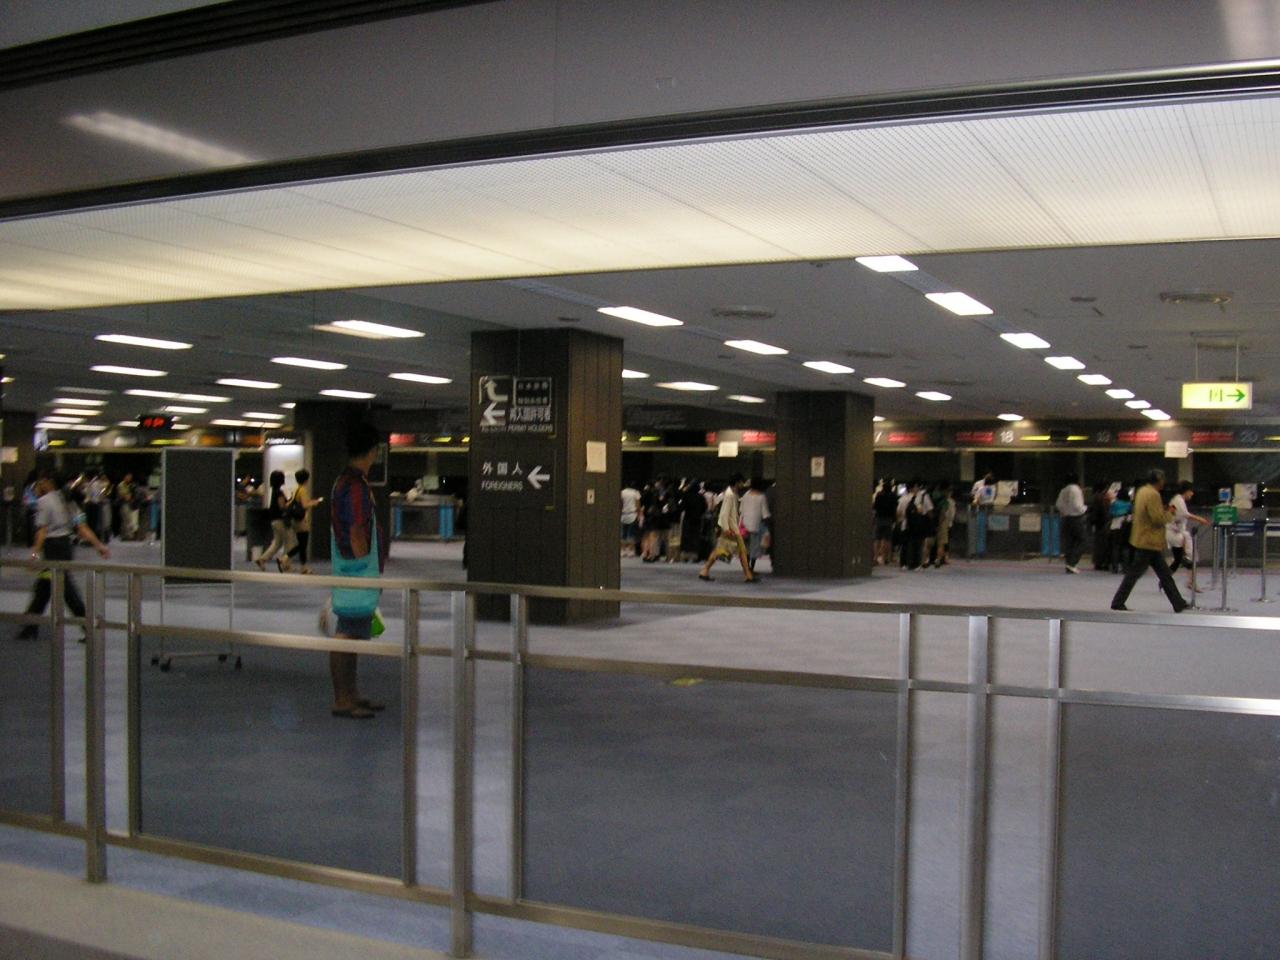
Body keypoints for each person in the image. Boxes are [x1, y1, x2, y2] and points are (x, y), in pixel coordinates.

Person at [329, 423, 388, 719]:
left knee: (352, 631)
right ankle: (343, 699)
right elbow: (356, 529)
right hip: (355, 568)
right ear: (372, 451)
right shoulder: (354, 486)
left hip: (352, 566)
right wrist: (364, 562)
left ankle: (350, 694)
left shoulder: (347, 481)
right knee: (346, 634)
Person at [18, 472, 110, 639]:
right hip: (65, 547)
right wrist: (98, 545)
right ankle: (30, 626)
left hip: (52, 548)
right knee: (45, 587)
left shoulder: (44, 501)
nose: (39, 485)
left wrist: (34, 552)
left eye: (42, 481)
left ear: (49, 482)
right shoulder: (69, 501)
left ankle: (88, 626)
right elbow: (82, 528)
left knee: (64, 589)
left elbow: (42, 530)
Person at [1110, 469, 1187, 612]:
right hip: (1149, 541)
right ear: (1159, 480)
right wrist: (1169, 513)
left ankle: (1178, 602)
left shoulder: (1142, 491)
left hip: (1142, 538)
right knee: (1137, 574)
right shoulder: (1153, 494)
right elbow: (1157, 518)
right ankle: (1118, 601)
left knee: (1162, 574)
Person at [698, 474, 758, 583]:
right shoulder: (730, 495)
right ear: (737, 482)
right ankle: (705, 570)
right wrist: (726, 529)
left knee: (739, 551)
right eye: (741, 482)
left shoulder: (731, 494)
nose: (743, 484)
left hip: (732, 528)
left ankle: (748, 575)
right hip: (731, 528)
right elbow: (724, 513)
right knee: (723, 551)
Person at [1166, 480, 1209, 592]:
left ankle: (1168, 580)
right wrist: (1200, 519)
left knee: (1180, 559)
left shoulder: (1176, 499)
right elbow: (1185, 514)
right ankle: (1189, 582)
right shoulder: (1178, 500)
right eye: (1191, 491)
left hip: (1175, 532)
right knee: (1189, 557)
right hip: (1174, 533)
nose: (1192, 493)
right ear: (1186, 491)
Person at [255, 470, 296, 572]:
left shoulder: (274, 491)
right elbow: (282, 506)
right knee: (290, 542)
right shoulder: (279, 492)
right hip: (281, 521)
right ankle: (285, 564)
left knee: (277, 543)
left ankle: (262, 559)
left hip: (274, 520)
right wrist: (290, 503)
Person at [286, 469, 323, 574]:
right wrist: (315, 503)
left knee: (301, 544)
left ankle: (300, 565)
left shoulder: (296, 489)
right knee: (303, 544)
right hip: (301, 520)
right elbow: (304, 505)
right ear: (306, 479)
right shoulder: (302, 490)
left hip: (295, 519)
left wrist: (311, 501)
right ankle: (288, 559)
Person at [1055, 472, 1088, 573]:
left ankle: (1068, 563)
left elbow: (1058, 504)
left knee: (1069, 542)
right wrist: (1085, 509)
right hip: (1076, 518)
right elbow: (1077, 505)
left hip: (1066, 518)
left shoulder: (1063, 490)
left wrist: (1065, 511)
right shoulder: (1076, 489)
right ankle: (1073, 563)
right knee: (1082, 540)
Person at [740, 478, 772, 573]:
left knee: (746, 548)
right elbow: (765, 513)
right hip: (756, 525)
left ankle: (746, 568)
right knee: (754, 548)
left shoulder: (745, 495)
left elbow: (741, 509)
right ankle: (751, 568)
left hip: (745, 525)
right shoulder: (761, 497)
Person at [926, 481, 955, 567]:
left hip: (930, 521)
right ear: (945, 490)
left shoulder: (930, 495)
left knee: (929, 542)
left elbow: (928, 509)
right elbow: (943, 513)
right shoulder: (945, 500)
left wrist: (931, 520)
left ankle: (926, 559)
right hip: (941, 523)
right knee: (941, 543)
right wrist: (939, 523)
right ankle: (938, 560)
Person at [1089, 482, 1115, 571]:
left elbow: (1093, 512)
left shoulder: (1096, 497)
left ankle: (1099, 562)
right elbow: (1105, 511)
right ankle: (1104, 562)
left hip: (1099, 523)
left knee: (1099, 544)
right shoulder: (1103, 497)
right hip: (1104, 523)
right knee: (1104, 544)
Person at [872, 479, 898, 566]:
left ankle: (875, 557)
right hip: (889, 519)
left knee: (877, 539)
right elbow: (895, 508)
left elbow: (875, 507)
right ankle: (886, 558)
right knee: (887, 539)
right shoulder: (893, 496)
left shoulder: (879, 495)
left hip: (879, 518)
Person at [1107, 483, 1132, 573]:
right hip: (1125, 527)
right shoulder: (1129, 504)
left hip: (1115, 527)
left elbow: (1110, 513)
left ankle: (1115, 567)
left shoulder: (1114, 503)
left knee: (1115, 547)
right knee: (1125, 547)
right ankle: (1125, 567)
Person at [620, 482, 641, 556]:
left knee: (623, 534)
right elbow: (638, 505)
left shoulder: (622, 492)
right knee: (631, 534)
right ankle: (631, 550)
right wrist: (639, 514)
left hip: (623, 514)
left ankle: (623, 550)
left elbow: (620, 504)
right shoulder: (636, 492)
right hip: (633, 514)